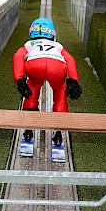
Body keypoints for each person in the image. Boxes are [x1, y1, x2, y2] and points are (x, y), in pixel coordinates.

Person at [13, 18, 82, 146]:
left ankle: (29, 129)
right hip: (57, 65)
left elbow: (18, 56)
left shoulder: (29, 44)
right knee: (60, 89)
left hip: (35, 65)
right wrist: (73, 80)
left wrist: (20, 79)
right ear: (52, 33)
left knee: (32, 87)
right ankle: (58, 133)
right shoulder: (58, 46)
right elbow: (70, 59)